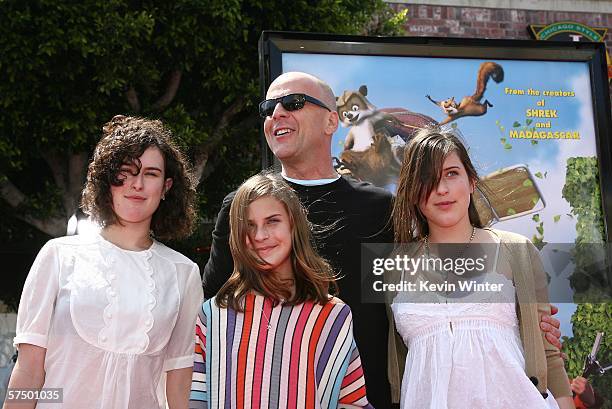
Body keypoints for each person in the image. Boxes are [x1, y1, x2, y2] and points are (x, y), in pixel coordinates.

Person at [201, 71, 563, 406]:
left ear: (332, 120)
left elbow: (439, 288)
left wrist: (527, 317)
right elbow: (214, 309)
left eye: (293, 103)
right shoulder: (241, 209)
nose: (276, 113)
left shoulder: (380, 209)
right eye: (268, 108)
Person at [6, 116, 203, 409]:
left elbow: (179, 382)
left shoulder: (183, 274)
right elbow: (29, 371)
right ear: (106, 181)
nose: (137, 184)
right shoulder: (58, 256)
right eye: (126, 171)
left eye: (150, 174)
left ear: (166, 187)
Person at [387, 127, 574, 409]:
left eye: (452, 173)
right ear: (412, 192)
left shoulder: (516, 250)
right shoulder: (394, 267)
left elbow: (548, 353)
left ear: (472, 181)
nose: (441, 189)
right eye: (427, 179)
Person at [190, 172, 372, 408]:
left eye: (272, 221)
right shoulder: (212, 315)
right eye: (249, 226)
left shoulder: (332, 315)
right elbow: (197, 400)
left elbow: (352, 403)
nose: (260, 236)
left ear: (293, 225)